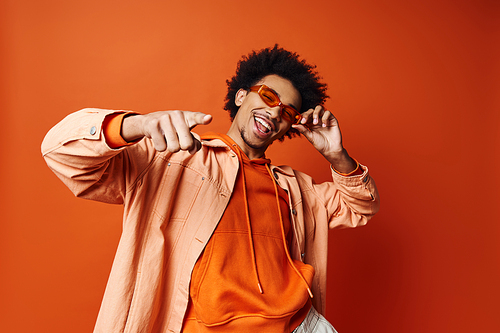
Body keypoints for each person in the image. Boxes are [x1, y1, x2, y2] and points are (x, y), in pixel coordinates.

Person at [42, 45, 379, 333]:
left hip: (298, 325)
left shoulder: (295, 188)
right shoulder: (170, 158)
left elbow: (361, 207)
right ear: (242, 95)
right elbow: (60, 152)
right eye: (268, 96)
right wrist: (137, 124)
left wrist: (337, 155)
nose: (275, 111)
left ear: (287, 128)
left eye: (287, 111)